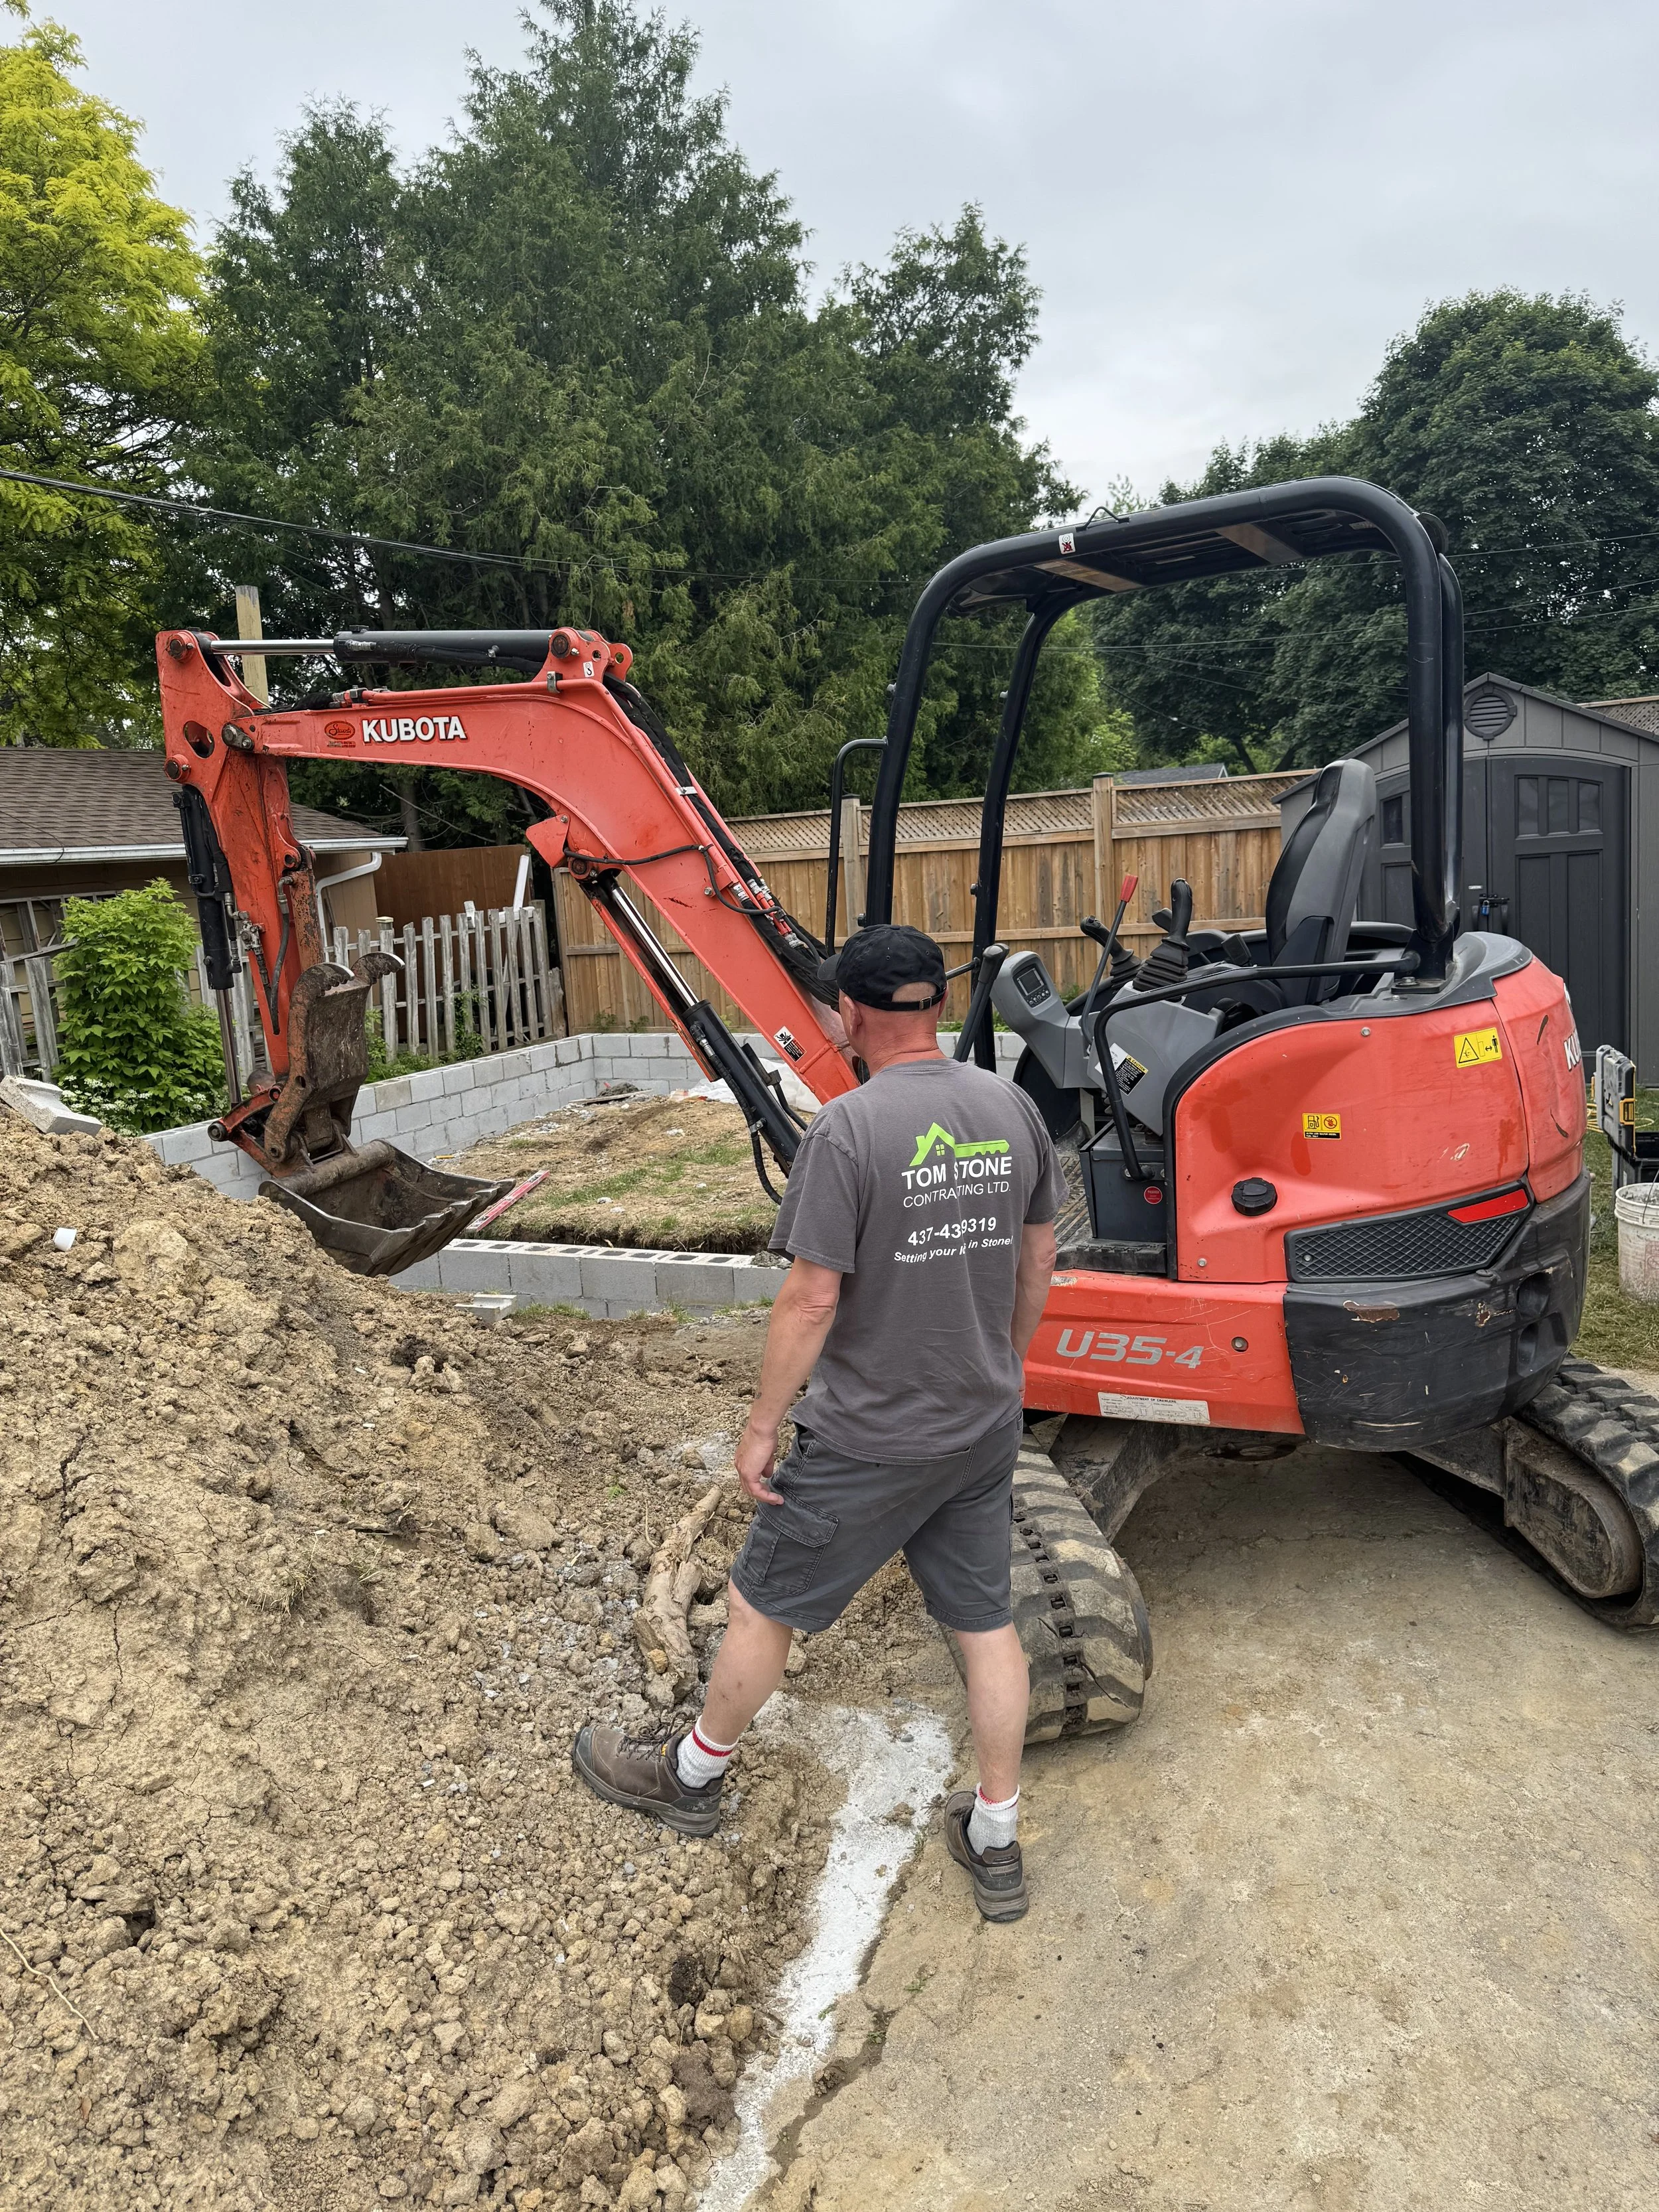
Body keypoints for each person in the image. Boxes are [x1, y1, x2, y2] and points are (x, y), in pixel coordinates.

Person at [572, 924, 1064, 1923]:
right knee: (984, 1627)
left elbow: (808, 1302)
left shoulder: (848, 1131)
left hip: (867, 1441)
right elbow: (1038, 1254)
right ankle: (997, 1837)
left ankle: (692, 1778)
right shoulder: (1010, 1106)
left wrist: (762, 1426)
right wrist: (1002, 1365)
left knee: (764, 1605)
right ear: (934, 1005)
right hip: (979, 1426)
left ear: (850, 1013)